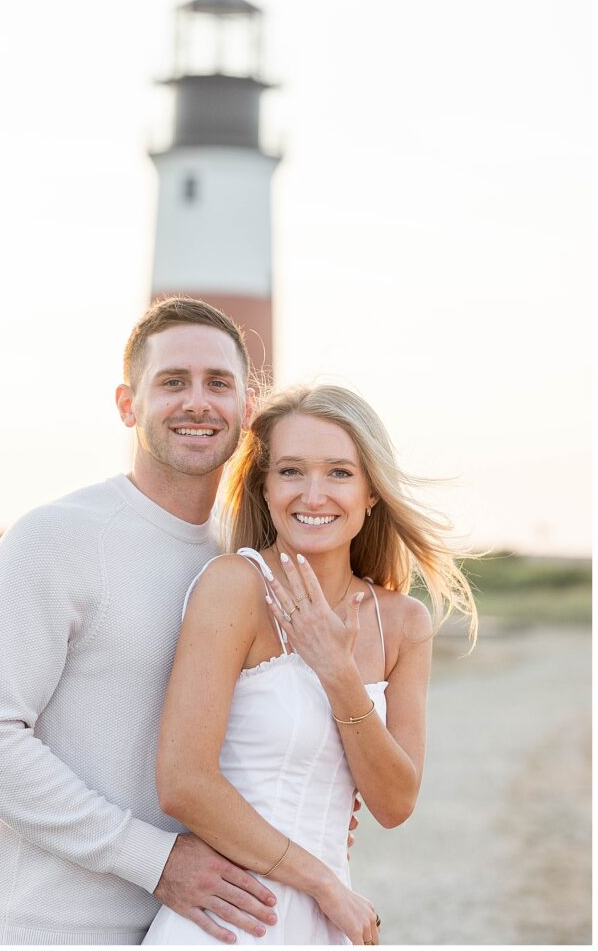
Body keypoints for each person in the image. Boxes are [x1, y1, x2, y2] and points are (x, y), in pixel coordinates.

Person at [0, 297, 287, 945]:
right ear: (128, 404)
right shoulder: (56, 537)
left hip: (196, 930)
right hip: (49, 930)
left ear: (248, 407)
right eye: (172, 382)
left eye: (218, 383)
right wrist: (155, 862)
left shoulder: (243, 562)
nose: (197, 401)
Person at [143, 384, 478, 945]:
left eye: (340, 473)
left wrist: (338, 672)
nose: (314, 495)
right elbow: (183, 783)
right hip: (230, 918)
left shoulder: (403, 623)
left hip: (328, 928)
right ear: (265, 487)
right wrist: (322, 883)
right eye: (292, 471)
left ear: (372, 491)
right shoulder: (235, 587)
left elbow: (394, 804)